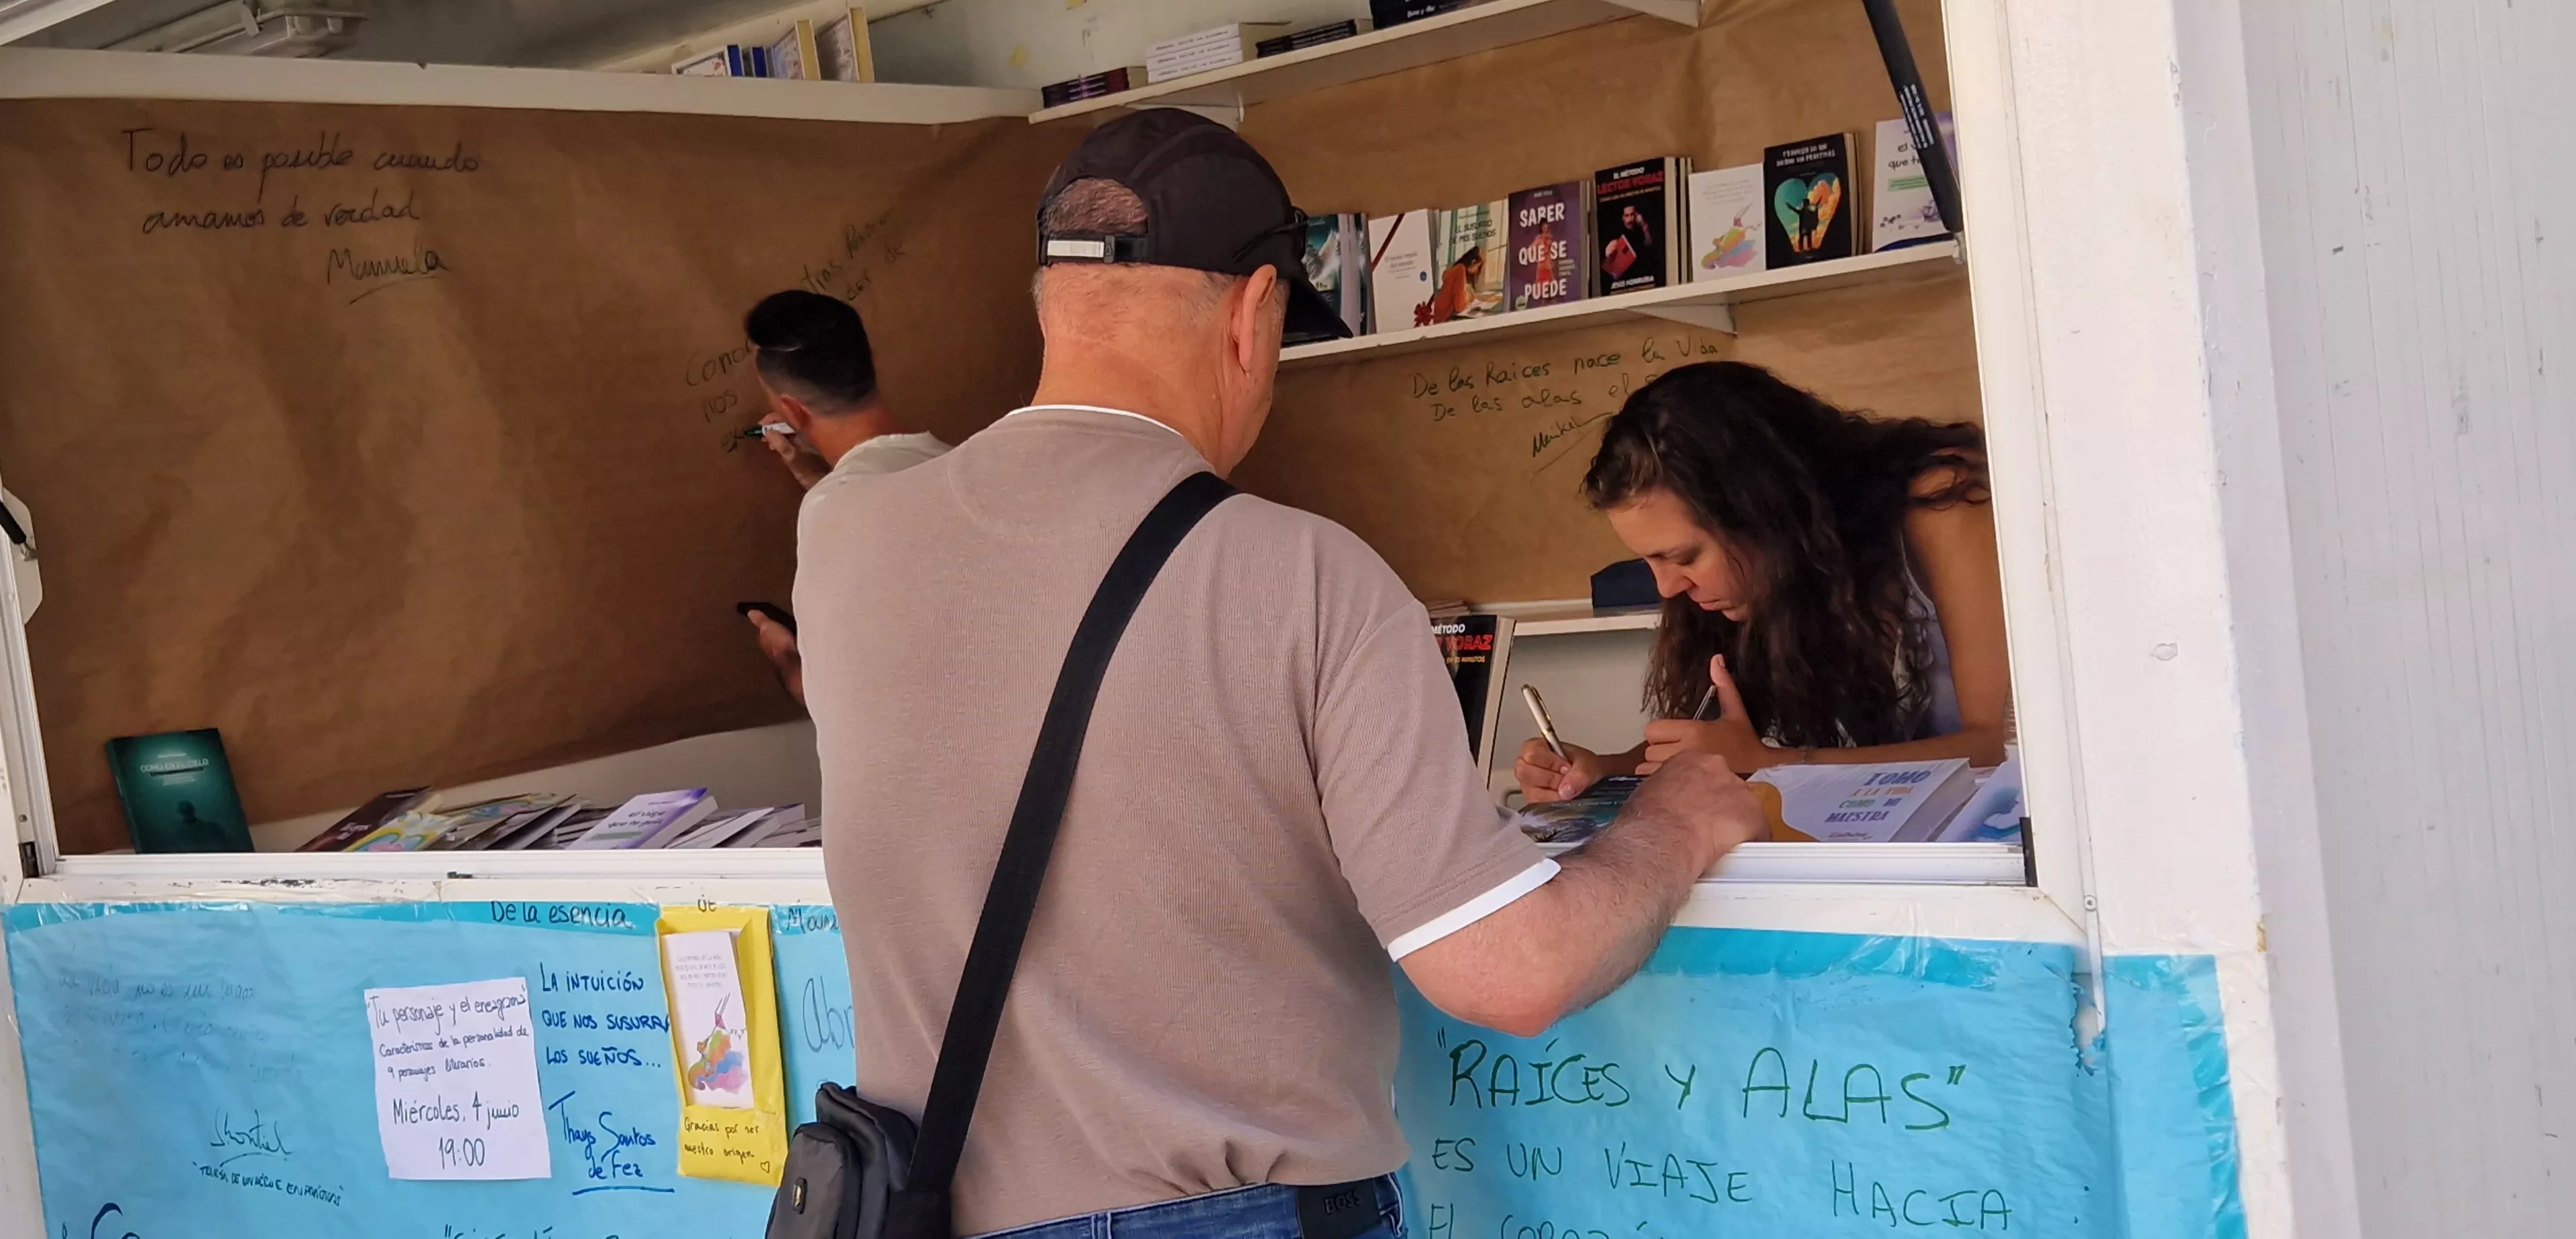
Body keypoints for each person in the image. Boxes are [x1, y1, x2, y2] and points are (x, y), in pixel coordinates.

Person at [794, 108, 1765, 1239]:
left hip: (930, 1203)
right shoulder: (1305, 573)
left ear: (1052, 302)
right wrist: (1677, 820)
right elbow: (1511, 972)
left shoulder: (845, 534)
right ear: (1256, 314)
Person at [1516, 361, 2012, 802]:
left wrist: (1771, 763)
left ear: (1764, 511)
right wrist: (1604, 770)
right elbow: (1722, 742)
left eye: (1684, 556)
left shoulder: (1943, 502)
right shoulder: (1776, 579)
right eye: (1649, 562)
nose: (1667, 588)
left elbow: (1996, 745)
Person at [736, 289, 950, 700]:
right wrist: (807, 470)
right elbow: (882, 523)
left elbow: (831, 694)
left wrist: (784, 655)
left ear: (793, 413)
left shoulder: (834, 513)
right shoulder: (952, 462)